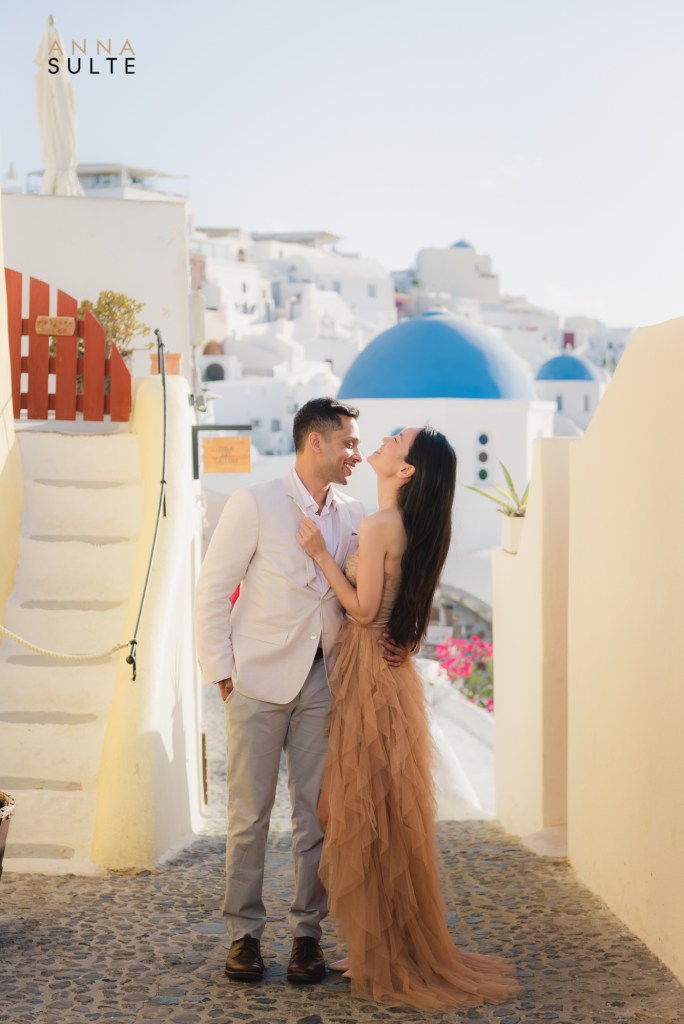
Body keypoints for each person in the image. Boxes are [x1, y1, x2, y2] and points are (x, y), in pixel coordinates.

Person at [296, 426, 520, 1010]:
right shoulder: (411, 526)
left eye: (397, 439)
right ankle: (378, 945)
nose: (384, 438)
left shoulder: (377, 525)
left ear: (406, 469)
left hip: (369, 672)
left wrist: (320, 555)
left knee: (351, 810)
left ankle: (378, 950)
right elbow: (405, 606)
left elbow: (366, 610)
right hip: (387, 676)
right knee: (376, 812)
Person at [193, 397, 403, 986]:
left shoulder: (355, 510)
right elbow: (212, 590)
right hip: (256, 681)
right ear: (317, 442)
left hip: (324, 682)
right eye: (349, 444)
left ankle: (307, 938)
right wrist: (223, 675)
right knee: (249, 816)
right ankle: (244, 936)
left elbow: (366, 591)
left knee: (316, 818)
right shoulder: (255, 502)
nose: (357, 453)